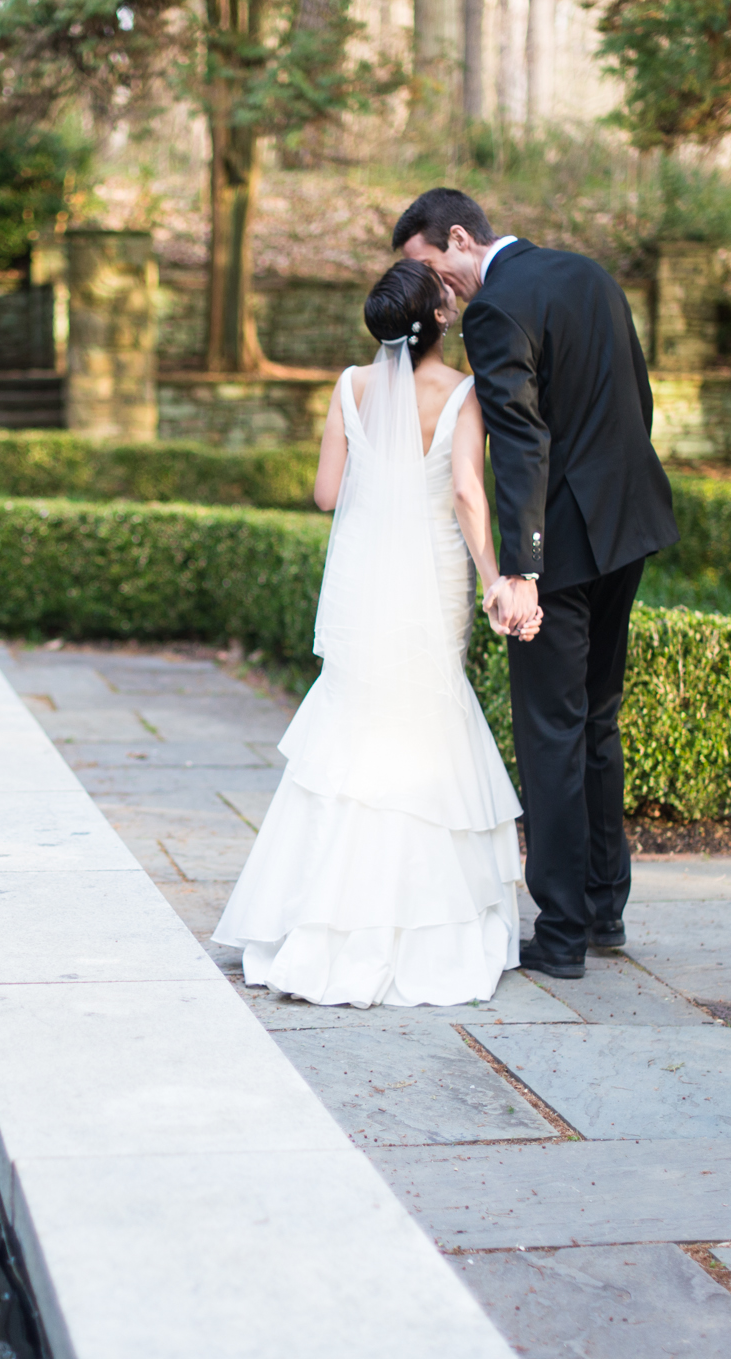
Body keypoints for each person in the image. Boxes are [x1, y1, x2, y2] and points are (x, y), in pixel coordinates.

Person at [211, 259, 542, 1008]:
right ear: (441, 319)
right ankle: (425, 927)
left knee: (352, 729)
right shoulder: (461, 392)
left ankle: (318, 921)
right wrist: (497, 575)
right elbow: (465, 492)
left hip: (362, 584)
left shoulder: (348, 387)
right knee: (426, 718)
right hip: (431, 580)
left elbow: (327, 494)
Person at [394, 188, 679, 982]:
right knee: (597, 721)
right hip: (630, 526)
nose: (436, 291)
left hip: (561, 551)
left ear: (458, 237)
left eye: (432, 269)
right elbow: (636, 400)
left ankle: (559, 937)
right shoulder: (588, 274)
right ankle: (602, 908)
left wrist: (519, 568)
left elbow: (520, 442)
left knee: (552, 732)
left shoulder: (494, 311)